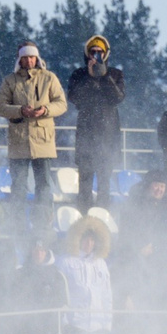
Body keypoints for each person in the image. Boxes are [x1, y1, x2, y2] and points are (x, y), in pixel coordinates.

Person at [0, 42, 68, 201]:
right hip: (19, 140)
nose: (29, 61)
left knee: (44, 185)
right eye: (25, 57)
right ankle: (17, 217)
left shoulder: (49, 78)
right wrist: (20, 110)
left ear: (37, 58)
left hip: (43, 140)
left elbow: (61, 104)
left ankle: (43, 216)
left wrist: (45, 110)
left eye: (32, 57)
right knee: (18, 185)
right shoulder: (10, 81)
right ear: (19, 59)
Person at [64, 35, 126, 211]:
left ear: (106, 54)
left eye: (100, 52)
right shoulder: (79, 74)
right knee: (84, 182)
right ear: (87, 54)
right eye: (93, 52)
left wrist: (104, 76)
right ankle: (84, 216)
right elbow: (74, 98)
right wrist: (90, 78)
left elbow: (118, 98)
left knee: (104, 183)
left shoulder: (115, 74)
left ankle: (102, 217)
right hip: (86, 133)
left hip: (108, 135)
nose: (96, 55)